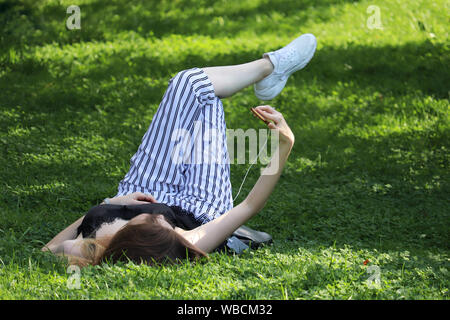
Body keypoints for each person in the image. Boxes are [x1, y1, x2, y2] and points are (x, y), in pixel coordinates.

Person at [41, 33, 317, 267]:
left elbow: (45, 251)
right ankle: (271, 66)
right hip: (198, 206)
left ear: (125, 236)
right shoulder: (184, 238)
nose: (159, 214)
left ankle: (269, 69)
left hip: (142, 187)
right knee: (204, 96)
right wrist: (286, 143)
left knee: (187, 84)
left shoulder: (88, 248)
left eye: (150, 219)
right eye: (163, 223)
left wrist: (111, 203)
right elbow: (249, 205)